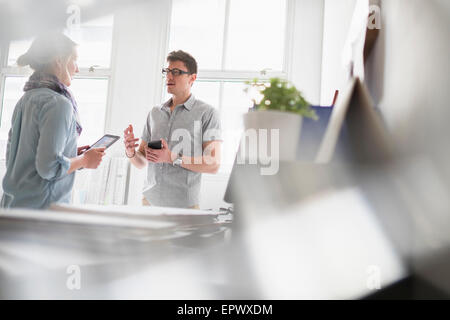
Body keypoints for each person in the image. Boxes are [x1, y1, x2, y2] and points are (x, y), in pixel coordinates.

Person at [1, 32, 105, 209]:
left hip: (11, 209)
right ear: (59, 60)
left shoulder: (25, 99)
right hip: (40, 213)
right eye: (74, 60)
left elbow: (17, 158)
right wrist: (84, 161)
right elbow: (48, 167)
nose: (77, 69)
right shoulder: (59, 104)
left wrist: (71, 153)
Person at [123, 50, 222, 208]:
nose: (169, 77)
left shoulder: (207, 113)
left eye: (176, 72)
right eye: (167, 71)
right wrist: (130, 152)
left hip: (185, 207)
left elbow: (213, 164)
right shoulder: (154, 113)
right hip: (149, 203)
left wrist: (172, 158)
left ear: (192, 78)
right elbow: (142, 162)